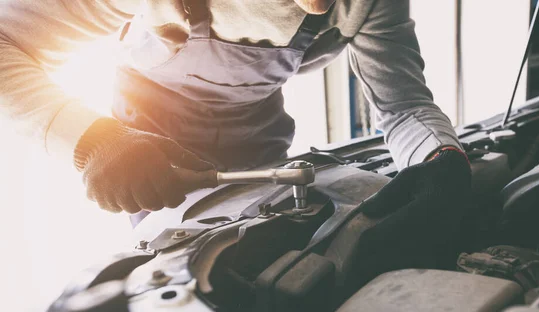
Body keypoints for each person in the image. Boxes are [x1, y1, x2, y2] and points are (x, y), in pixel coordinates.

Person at [0, 0, 470, 252]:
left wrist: (441, 158)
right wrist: (91, 139)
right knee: (175, 251)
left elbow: (404, 104)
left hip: (257, 127)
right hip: (147, 137)